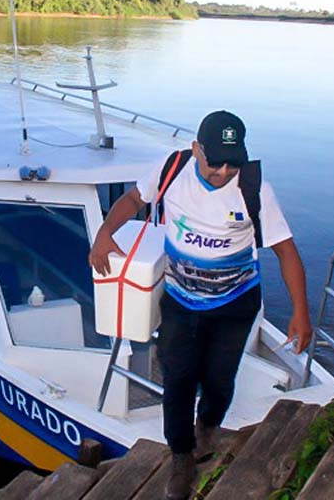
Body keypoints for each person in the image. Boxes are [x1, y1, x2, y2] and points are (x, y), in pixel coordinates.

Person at [88, 110, 313, 500]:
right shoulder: (172, 169)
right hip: (180, 300)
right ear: (196, 150)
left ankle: (207, 426)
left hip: (235, 303)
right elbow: (133, 199)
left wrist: (301, 312)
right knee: (176, 378)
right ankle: (180, 454)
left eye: (233, 162)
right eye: (215, 162)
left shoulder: (254, 187)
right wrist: (105, 233)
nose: (224, 172)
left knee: (220, 379)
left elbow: (285, 250)